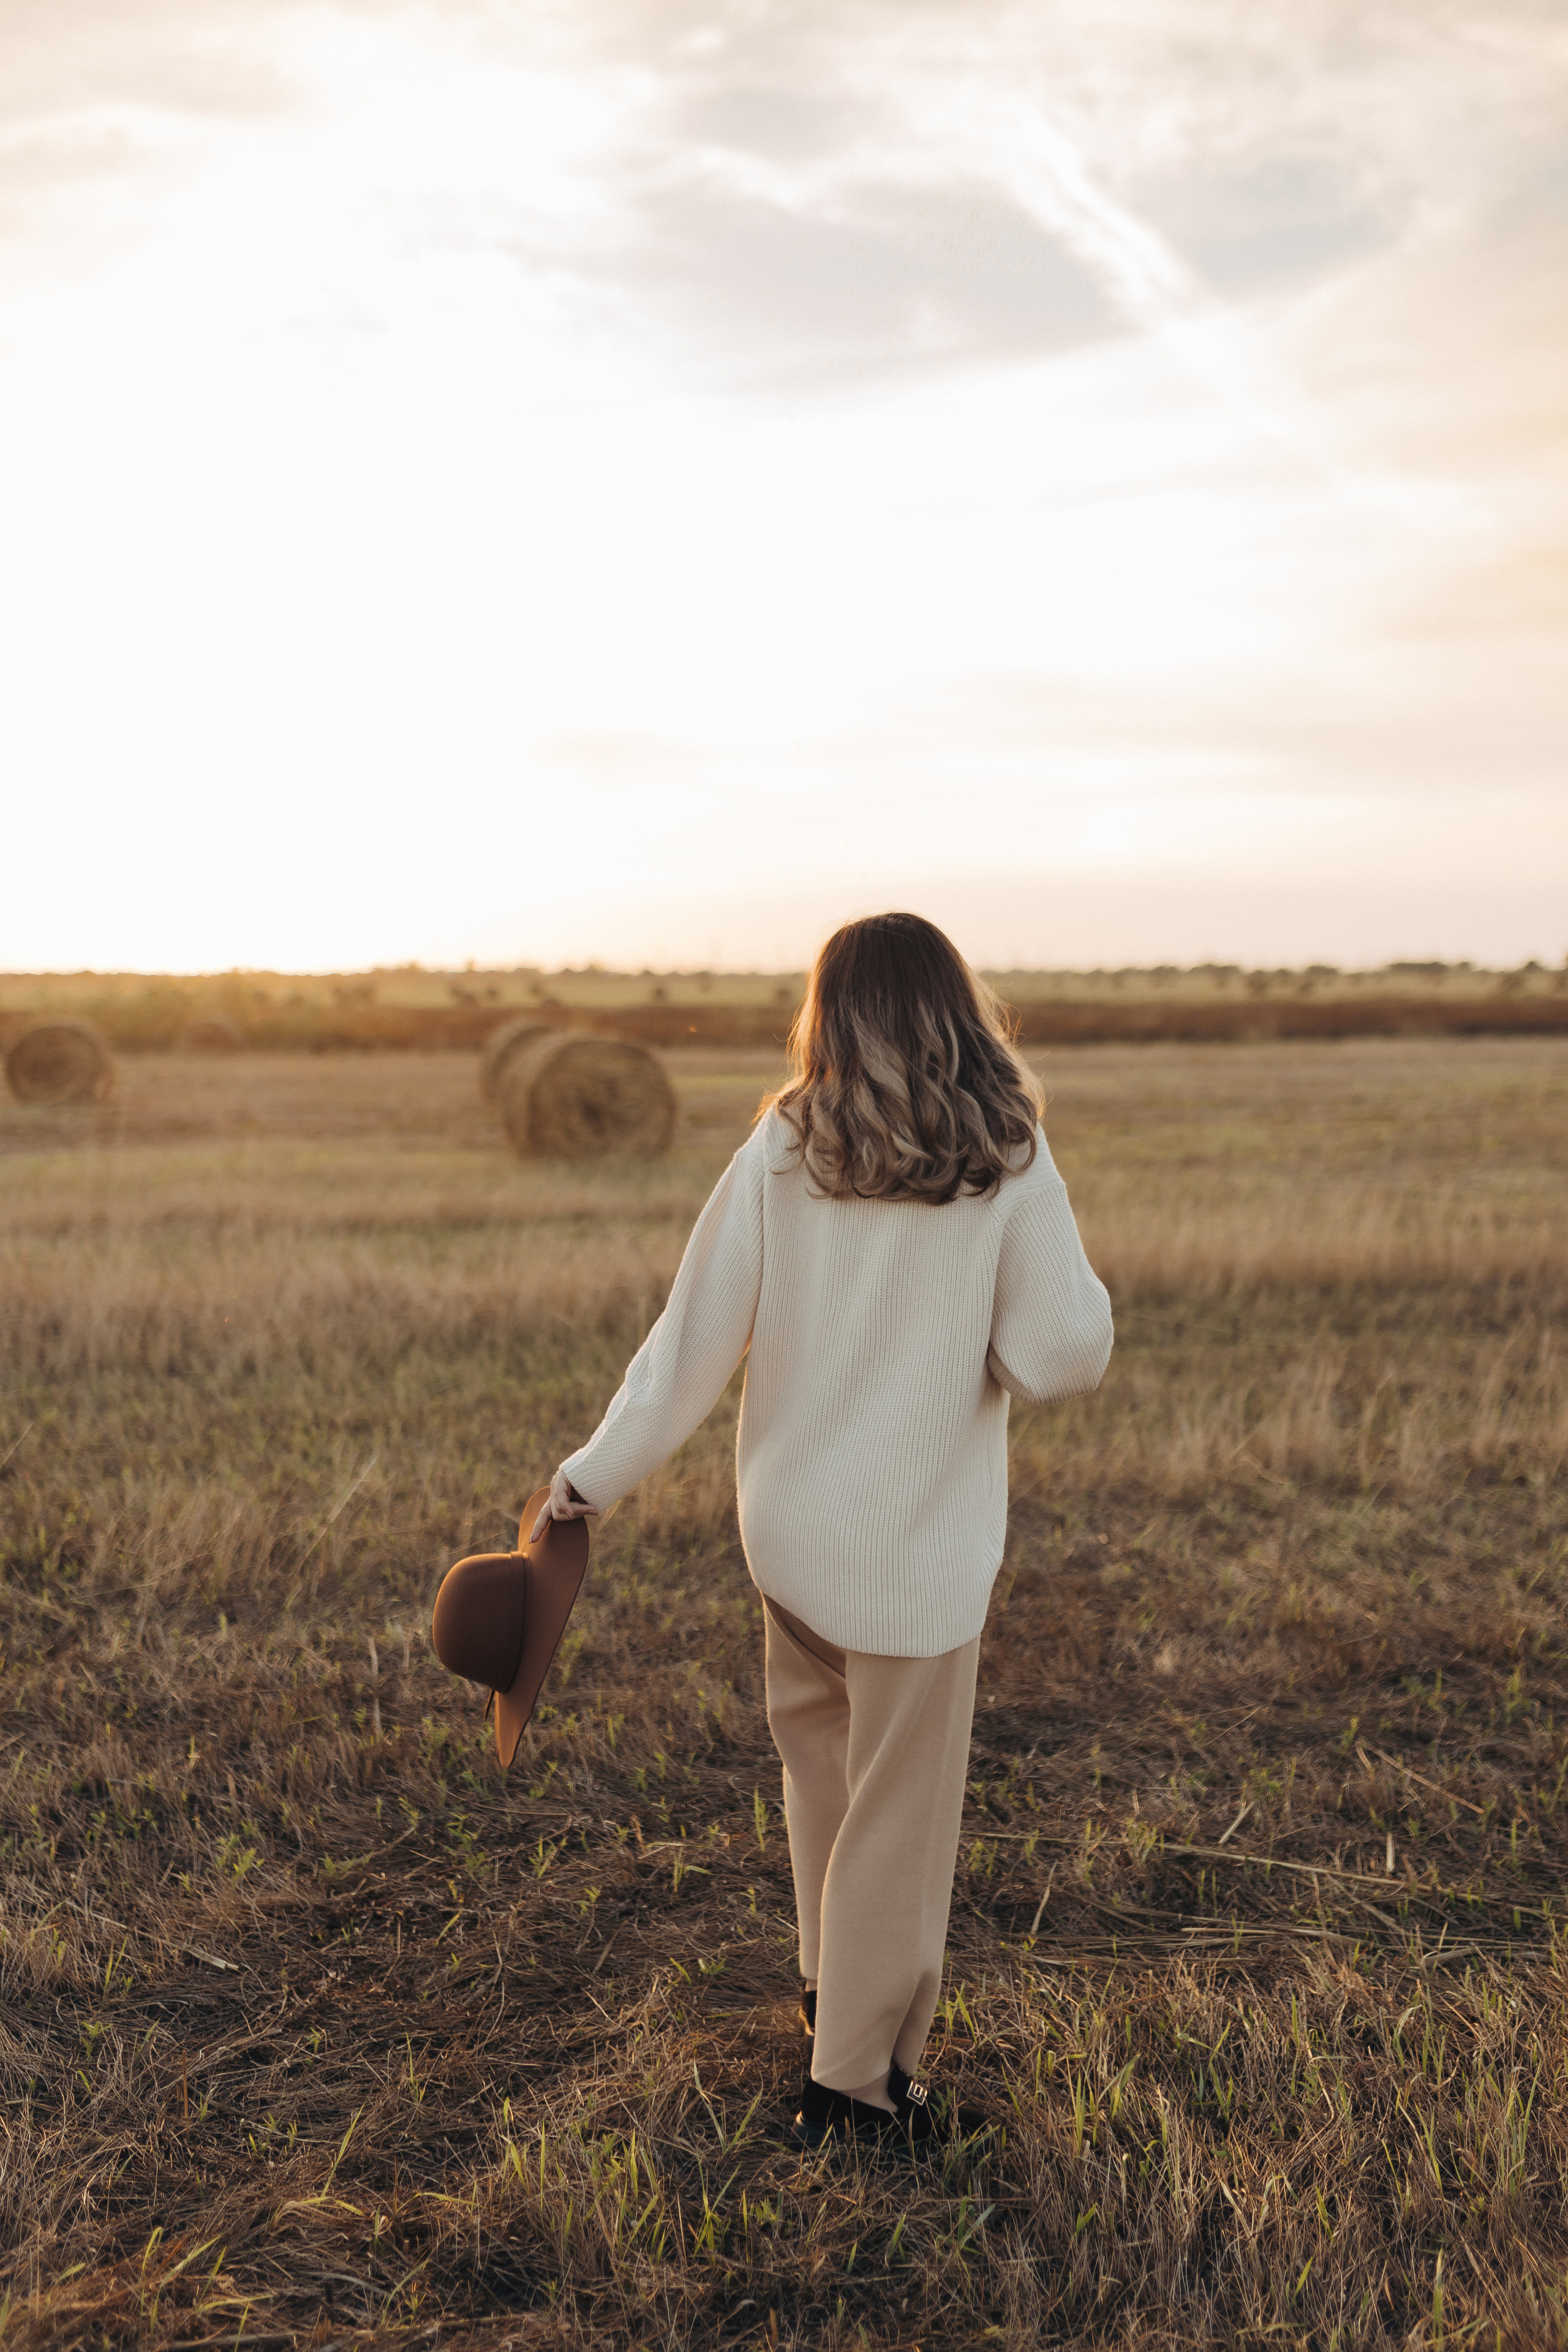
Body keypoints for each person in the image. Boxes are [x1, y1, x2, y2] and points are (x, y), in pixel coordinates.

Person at [533, 912, 1112, 2148]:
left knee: (825, 1781)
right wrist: (994, 1340)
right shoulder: (1002, 1152)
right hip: (911, 1555)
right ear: (958, 1008)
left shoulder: (785, 1143)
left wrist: (589, 1476)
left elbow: (689, 1344)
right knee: (897, 1815)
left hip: (792, 1536)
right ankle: (851, 2086)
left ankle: (823, 1986)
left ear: (829, 1013)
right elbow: (1062, 1353)